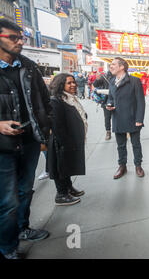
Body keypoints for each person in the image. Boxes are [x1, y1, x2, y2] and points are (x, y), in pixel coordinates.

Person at [0, 19, 52, 259]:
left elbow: (44, 101)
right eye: (13, 37)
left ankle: (23, 228)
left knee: (25, 190)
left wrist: (44, 132)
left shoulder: (29, 66)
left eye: (21, 38)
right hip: (4, 148)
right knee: (8, 201)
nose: (20, 41)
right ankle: (8, 249)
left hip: (29, 141)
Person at [47, 73, 87, 206]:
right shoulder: (56, 101)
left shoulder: (69, 98)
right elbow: (57, 125)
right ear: (61, 85)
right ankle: (61, 194)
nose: (73, 85)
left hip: (69, 139)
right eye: (69, 83)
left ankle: (69, 188)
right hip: (61, 141)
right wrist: (65, 143)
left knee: (67, 165)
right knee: (61, 167)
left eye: (74, 82)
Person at [106, 57, 146, 179]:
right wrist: (109, 104)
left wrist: (139, 119)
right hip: (117, 118)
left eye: (113, 64)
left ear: (122, 67)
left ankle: (138, 165)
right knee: (120, 145)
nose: (110, 66)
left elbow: (141, 102)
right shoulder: (112, 81)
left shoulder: (135, 81)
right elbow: (110, 98)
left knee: (136, 144)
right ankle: (122, 166)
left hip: (133, 118)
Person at [93, 70, 114, 140]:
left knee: (120, 116)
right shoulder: (104, 76)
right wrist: (97, 78)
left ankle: (122, 132)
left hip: (118, 100)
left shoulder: (120, 76)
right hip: (106, 100)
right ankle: (108, 132)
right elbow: (95, 84)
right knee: (107, 118)